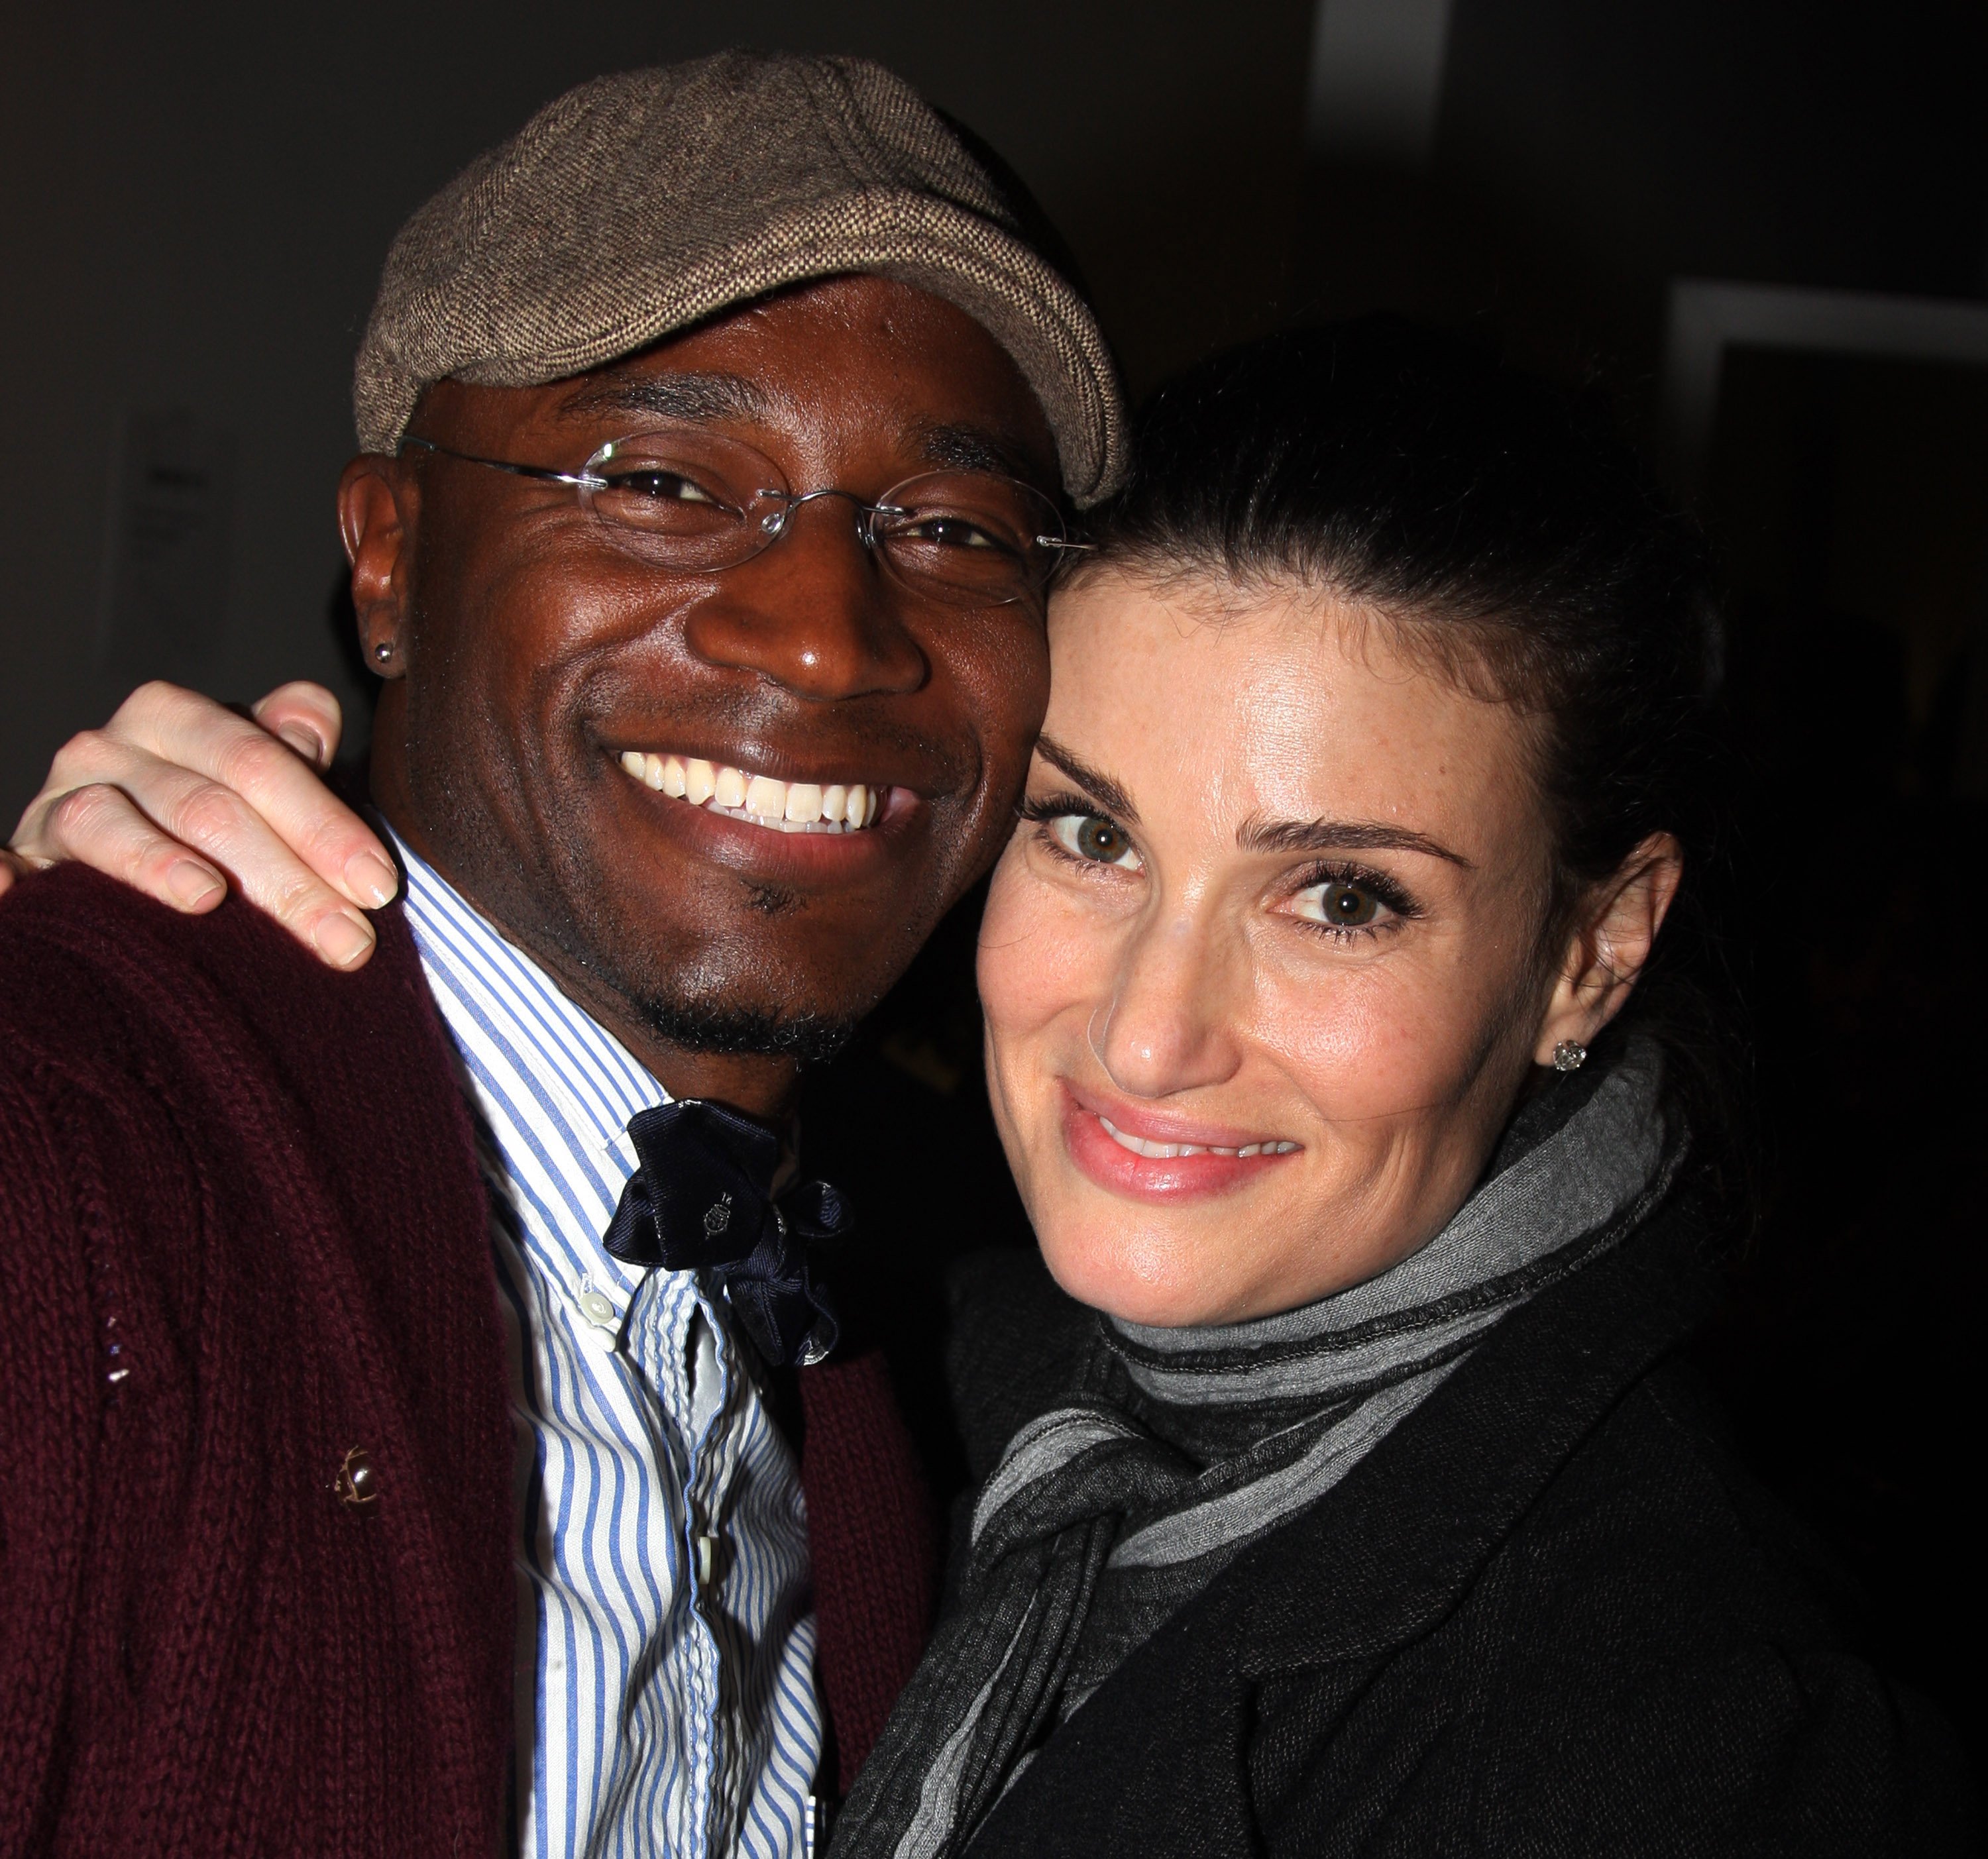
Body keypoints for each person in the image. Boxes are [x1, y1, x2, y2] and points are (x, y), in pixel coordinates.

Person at [31, 323, 1977, 1854]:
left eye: (1340, 896)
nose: (1149, 1034)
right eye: (1091, 834)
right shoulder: (907, 1333)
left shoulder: (1706, 1746)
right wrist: (139, 948)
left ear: (1595, 949)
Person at [0, 52, 1125, 1859]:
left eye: (950, 529)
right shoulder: (71, 1182)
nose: (830, 641)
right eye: (666, 482)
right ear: (389, 560)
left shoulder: (936, 1334)